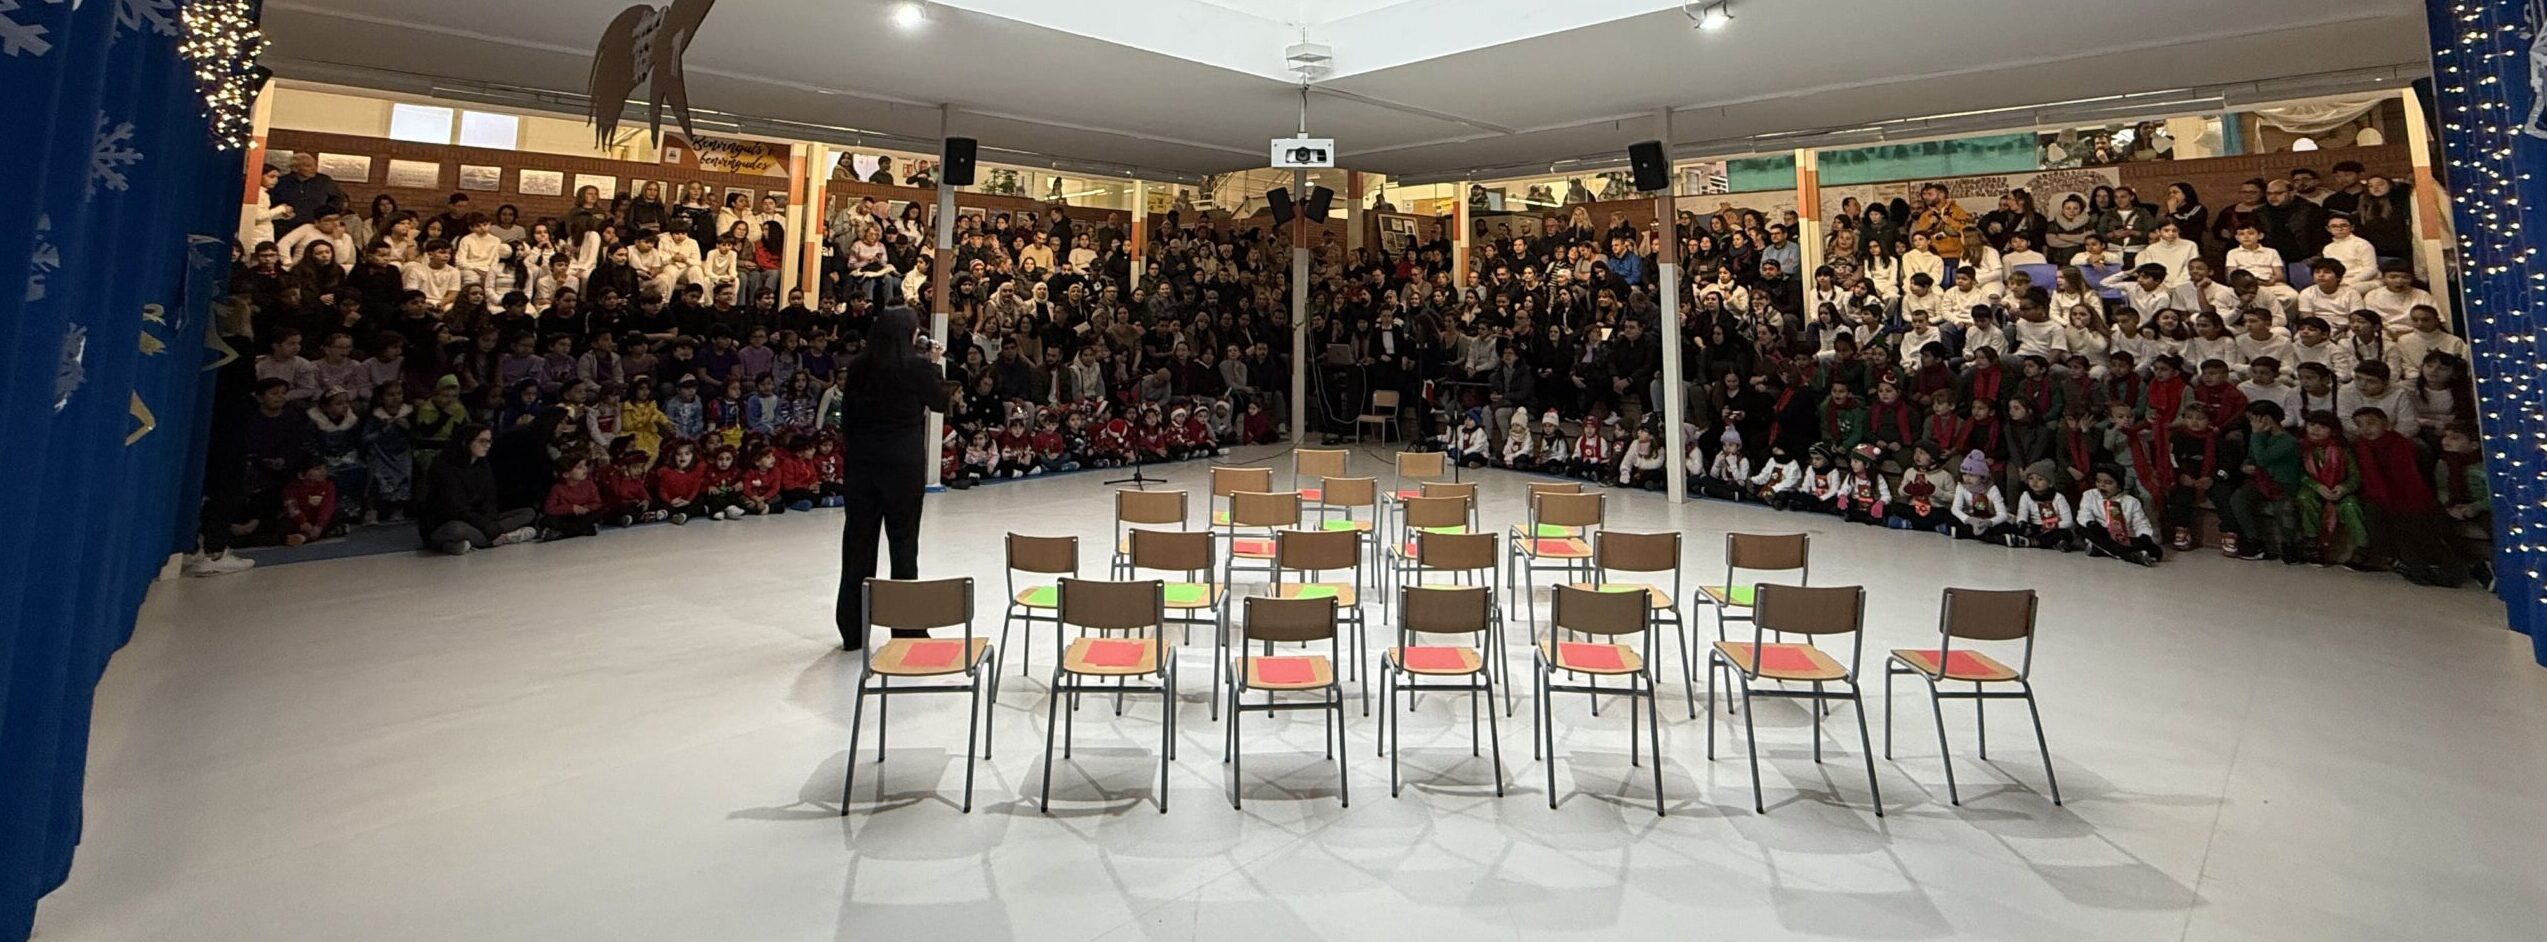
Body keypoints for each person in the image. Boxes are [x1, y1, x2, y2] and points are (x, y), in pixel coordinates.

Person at [833, 307, 950, 651]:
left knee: (857, 544)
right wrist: (934, 363)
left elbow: (847, 417)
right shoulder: (914, 366)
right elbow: (940, 401)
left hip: (862, 464)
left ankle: (853, 629)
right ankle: (906, 627)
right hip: (902, 464)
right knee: (903, 544)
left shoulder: (859, 367)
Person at [418, 424, 538, 554]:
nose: (487, 445)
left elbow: (490, 498)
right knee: (457, 529)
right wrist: (485, 525)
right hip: (448, 522)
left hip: (479, 521)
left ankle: (461, 544)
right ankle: (496, 540)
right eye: (482, 441)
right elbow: (454, 508)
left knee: (527, 513)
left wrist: (490, 521)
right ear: (465, 442)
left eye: (489, 441)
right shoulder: (444, 467)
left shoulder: (483, 466)